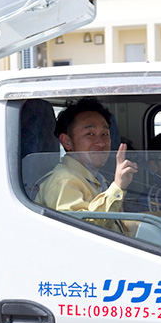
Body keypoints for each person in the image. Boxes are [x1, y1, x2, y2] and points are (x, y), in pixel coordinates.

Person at [35, 97, 137, 233]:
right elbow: (82, 231)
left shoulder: (96, 178)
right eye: (90, 134)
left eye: (105, 134)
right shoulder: (64, 180)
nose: (101, 142)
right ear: (67, 142)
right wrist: (118, 187)